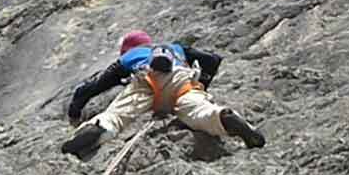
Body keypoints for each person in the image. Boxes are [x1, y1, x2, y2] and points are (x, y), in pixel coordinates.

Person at [61, 30, 266, 157]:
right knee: (199, 111)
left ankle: (98, 129)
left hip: (146, 79)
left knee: (116, 116)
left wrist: (74, 112)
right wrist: (203, 84)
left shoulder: (130, 57)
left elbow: (93, 86)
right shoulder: (175, 48)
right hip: (181, 79)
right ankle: (223, 118)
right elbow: (212, 59)